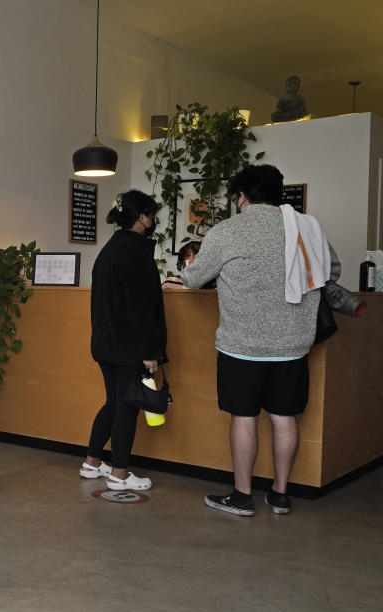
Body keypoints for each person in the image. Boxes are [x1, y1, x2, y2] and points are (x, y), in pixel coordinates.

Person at [182, 164, 321, 516]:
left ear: (241, 197)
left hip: (241, 345)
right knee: (284, 417)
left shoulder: (226, 231)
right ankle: (280, 494)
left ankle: (242, 497)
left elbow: (194, 279)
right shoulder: (307, 229)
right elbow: (328, 271)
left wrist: (190, 265)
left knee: (244, 417)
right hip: (292, 344)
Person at [81, 190, 166, 491]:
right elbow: (141, 308)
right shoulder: (137, 252)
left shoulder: (110, 248)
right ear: (142, 217)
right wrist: (151, 351)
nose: (153, 220)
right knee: (127, 408)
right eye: (151, 214)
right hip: (128, 347)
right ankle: (119, 474)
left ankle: (92, 463)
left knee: (114, 403)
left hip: (105, 344)